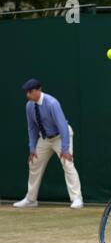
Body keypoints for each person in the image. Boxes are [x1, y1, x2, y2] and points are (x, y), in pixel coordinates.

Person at [13, 78, 84, 209]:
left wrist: (65, 148)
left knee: (67, 163)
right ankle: (31, 199)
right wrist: (32, 148)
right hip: (45, 138)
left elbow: (62, 125)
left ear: (38, 90)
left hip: (62, 136)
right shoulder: (29, 106)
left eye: (30, 91)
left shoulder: (52, 103)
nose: (27, 95)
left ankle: (77, 199)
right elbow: (32, 128)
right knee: (34, 163)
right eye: (27, 92)